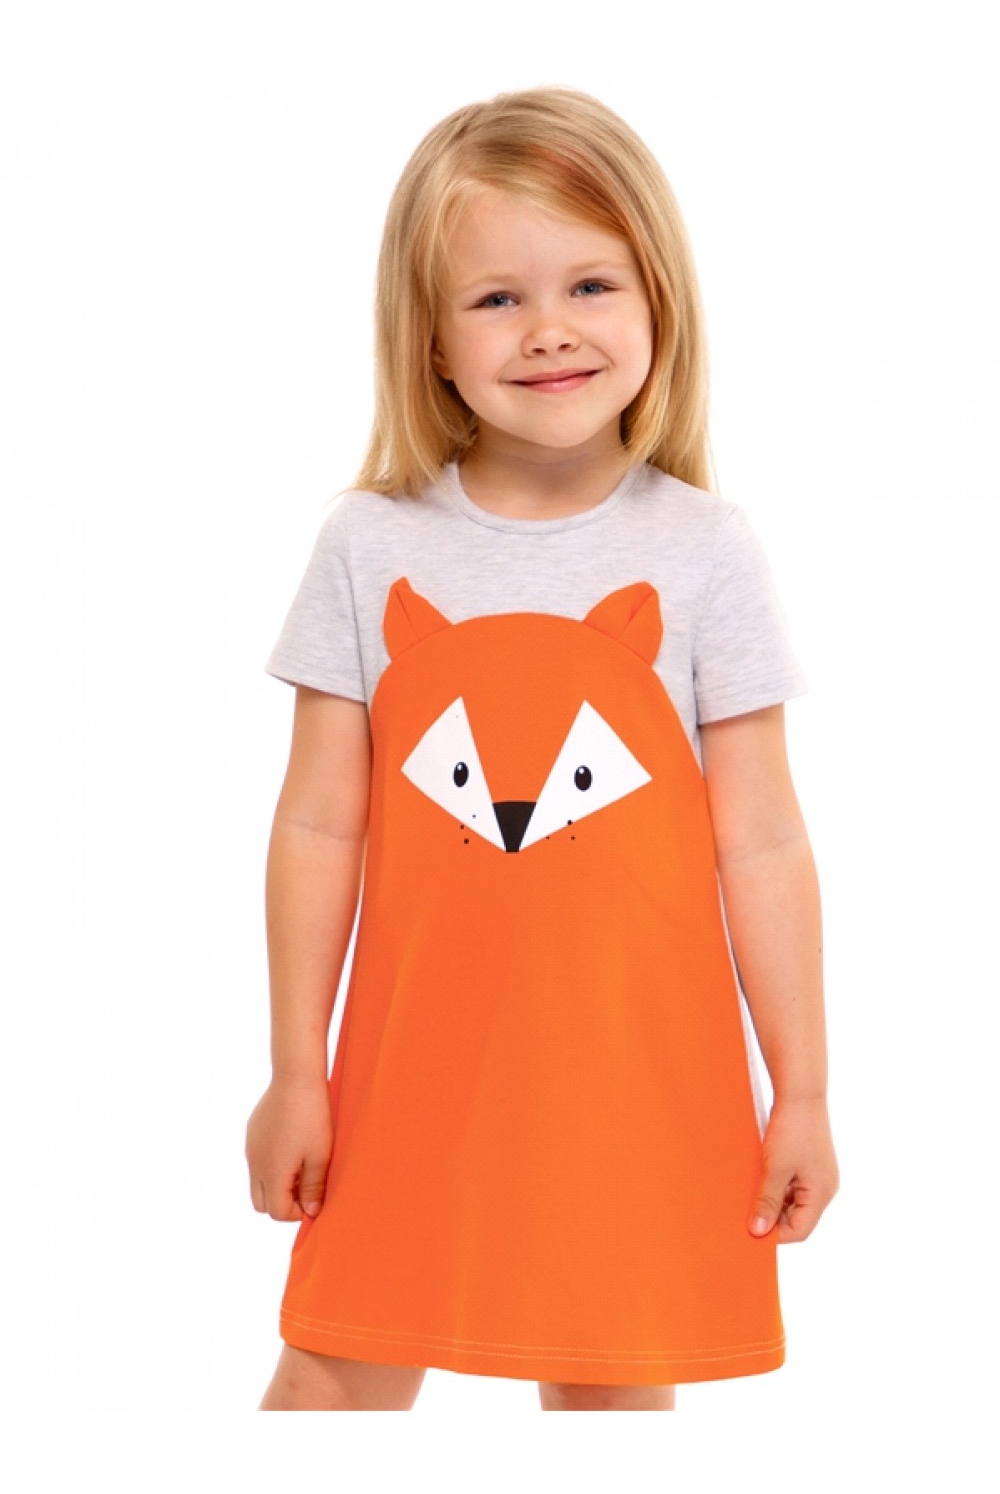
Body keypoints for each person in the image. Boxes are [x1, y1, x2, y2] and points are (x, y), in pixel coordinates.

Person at [245, 84, 839, 1413]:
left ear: (659, 301)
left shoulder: (705, 550)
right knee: (335, 1376)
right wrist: (296, 1070)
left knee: (611, 1395)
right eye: (497, 297)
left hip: (635, 1088)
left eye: (590, 284)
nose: (550, 328)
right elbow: (319, 824)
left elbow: (762, 840)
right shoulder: (369, 545)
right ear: (430, 337)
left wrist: (801, 1088)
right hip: (412, 1080)